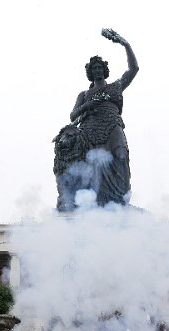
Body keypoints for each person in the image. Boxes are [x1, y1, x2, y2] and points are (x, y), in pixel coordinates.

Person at [68, 29, 139, 207]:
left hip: (112, 125)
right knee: (94, 166)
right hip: (90, 130)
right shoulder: (84, 94)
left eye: (100, 68)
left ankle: (120, 200)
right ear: (90, 72)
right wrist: (88, 105)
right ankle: (95, 202)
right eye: (94, 69)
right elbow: (72, 115)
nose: (97, 70)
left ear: (105, 70)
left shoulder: (116, 87)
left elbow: (134, 69)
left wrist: (126, 44)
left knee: (120, 155)